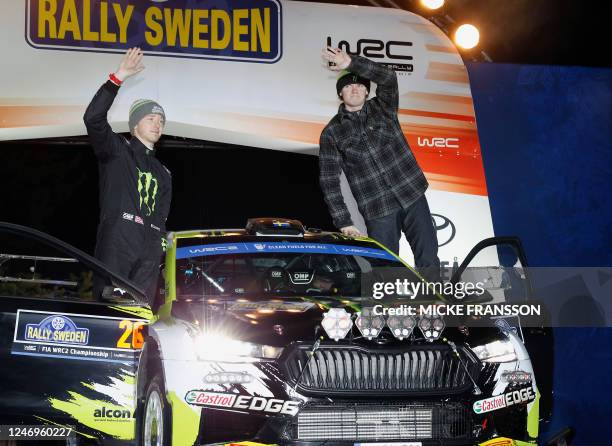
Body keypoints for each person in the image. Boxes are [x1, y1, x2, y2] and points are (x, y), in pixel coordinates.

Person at [319, 47, 439, 278]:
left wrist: (351, 63)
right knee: (385, 271)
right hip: (377, 210)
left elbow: (388, 77)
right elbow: (329, 181)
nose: (354, 89)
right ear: (340, 94)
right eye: (347, 86)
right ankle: (391, 314)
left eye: (360, 86)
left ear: (366, 91)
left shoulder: (384, 108)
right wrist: (343, 220)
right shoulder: (331, 133)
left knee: (429, 259)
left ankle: (433, 308)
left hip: (411, 195)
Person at [84, 47, 172, 303]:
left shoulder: (164, 173)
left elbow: (163, 216)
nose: (157, 124)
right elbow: (93, 119)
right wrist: (118, 77)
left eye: (161, 121)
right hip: (119, 240)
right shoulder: (117, 151)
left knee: (140, 315)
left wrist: (161, 247)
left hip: (150, 246)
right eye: (151, 118)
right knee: (109, 309)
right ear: (135, 125)